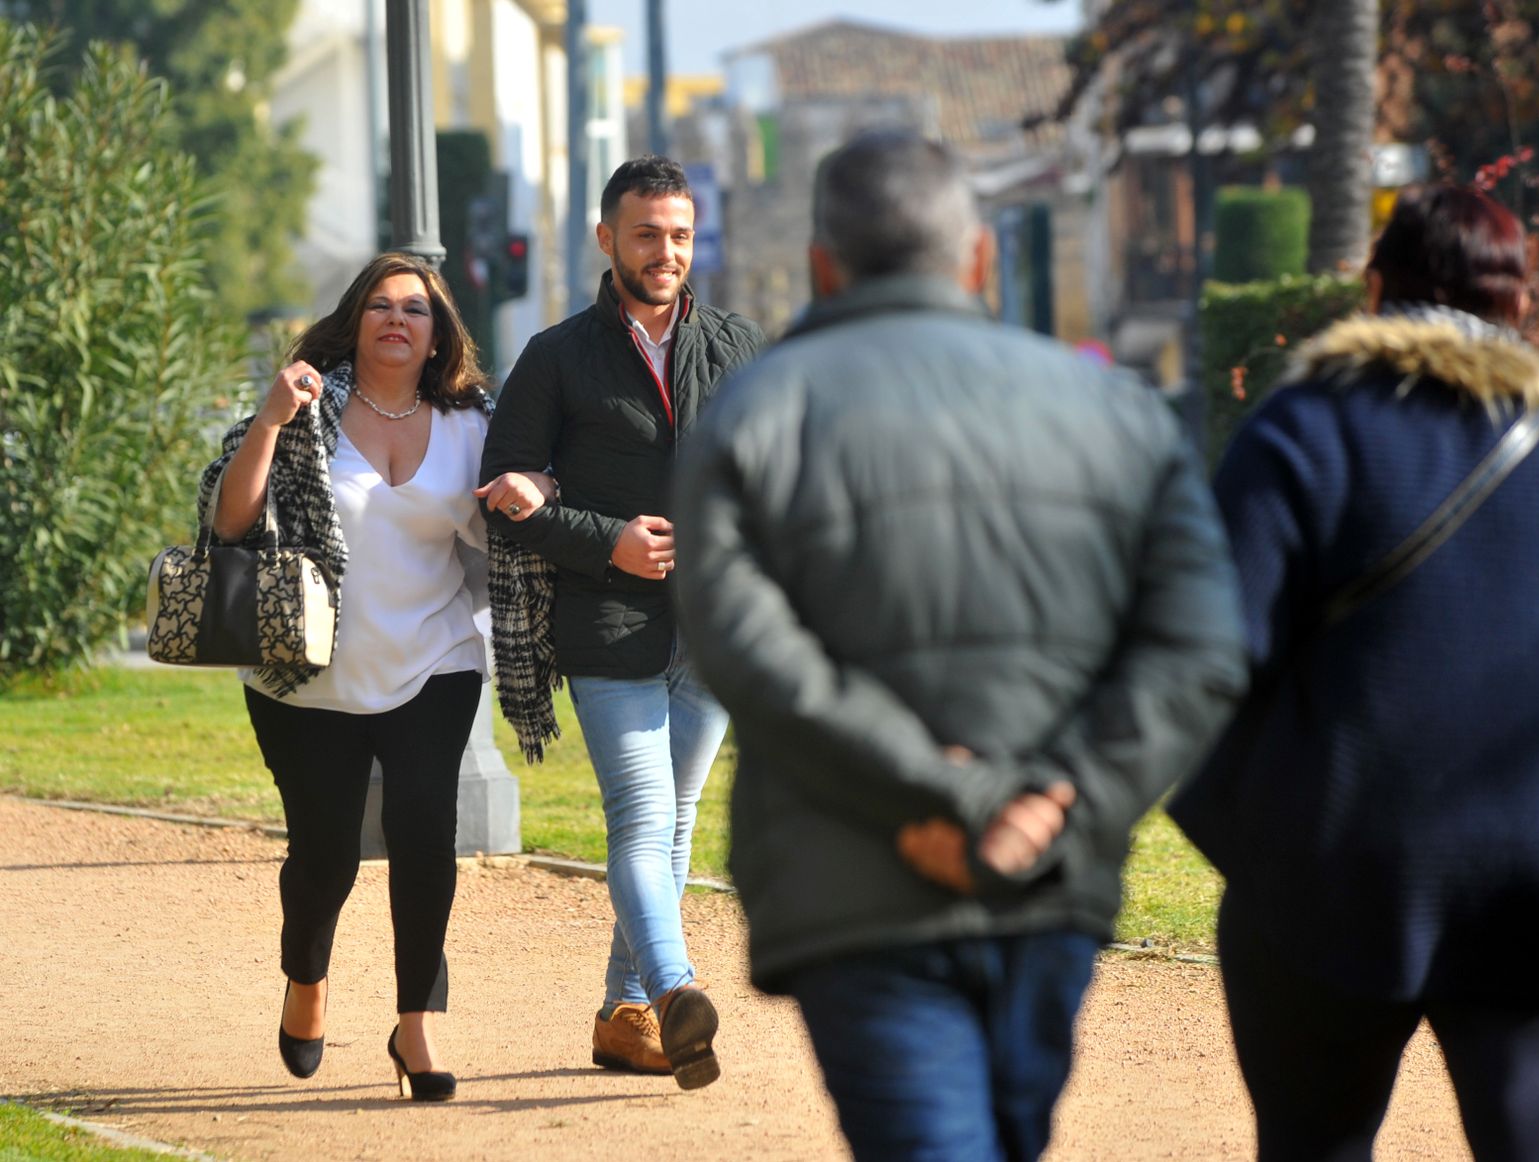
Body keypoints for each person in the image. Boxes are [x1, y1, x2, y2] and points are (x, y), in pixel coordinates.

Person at [670, 130, 1247, 1160]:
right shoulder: (1115, 409)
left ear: (820, 266)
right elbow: (1199, 646)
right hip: (1045, 873)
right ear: (978, 257)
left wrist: (946, 793)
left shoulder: (753, 411)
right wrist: (1046, 805)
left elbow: (743, 645)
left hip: (856, 876)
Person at [1169, 184, 1539, 1162]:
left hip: (1327, 877)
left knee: (1312, 1143)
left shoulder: (1297, 435)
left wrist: (1246, 831)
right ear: (1519, 304)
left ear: (1372, 288)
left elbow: (1202, 655)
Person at [202, 252, 545, 1102]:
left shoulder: (473, 424)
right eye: (382, 305)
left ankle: (415, 1025)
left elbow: (512, 514)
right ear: (356, 321)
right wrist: (269, 422)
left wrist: (535, 484)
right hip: (307, 677)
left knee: (426, 834)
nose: (398, 319)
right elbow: (230, 523)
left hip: (435, 662)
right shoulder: (305, 408)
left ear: (438, 334)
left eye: (415, 309)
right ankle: (307, 979)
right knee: (325, 856)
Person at [478, 155, 764, 1089]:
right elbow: (503, 493)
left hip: (713, 626)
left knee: (675, 824)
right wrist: (611, 543)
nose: (665, 252)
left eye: (679, 235)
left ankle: (622, 1015)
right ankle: (677, 991)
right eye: (646, 234)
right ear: (606, 239)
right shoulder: (557, 355)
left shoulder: (739, 345)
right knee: (642, 816)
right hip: (605, 620)